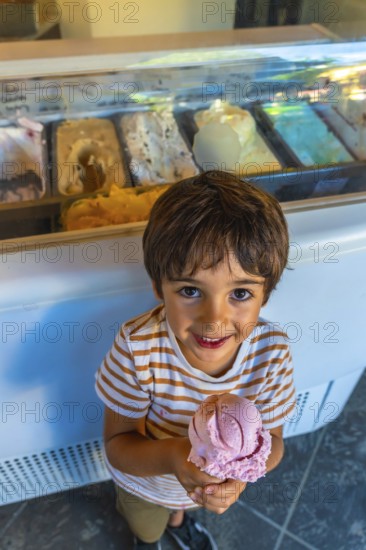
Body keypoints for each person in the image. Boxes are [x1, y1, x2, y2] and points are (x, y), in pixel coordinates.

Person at [95, 170, 296, 550]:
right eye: (190, 289)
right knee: (148, 526)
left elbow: (273, 441)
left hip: (201, 486)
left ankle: (178, 519)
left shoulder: (272, 354)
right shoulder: (138, 348)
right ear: (158, 287)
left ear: (265, 295)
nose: (214, 320)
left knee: (180, 509)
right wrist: (174, 456)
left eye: (240, 293)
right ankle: (149, 538)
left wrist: (240, 475)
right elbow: (119, 446)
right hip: (146, 482)